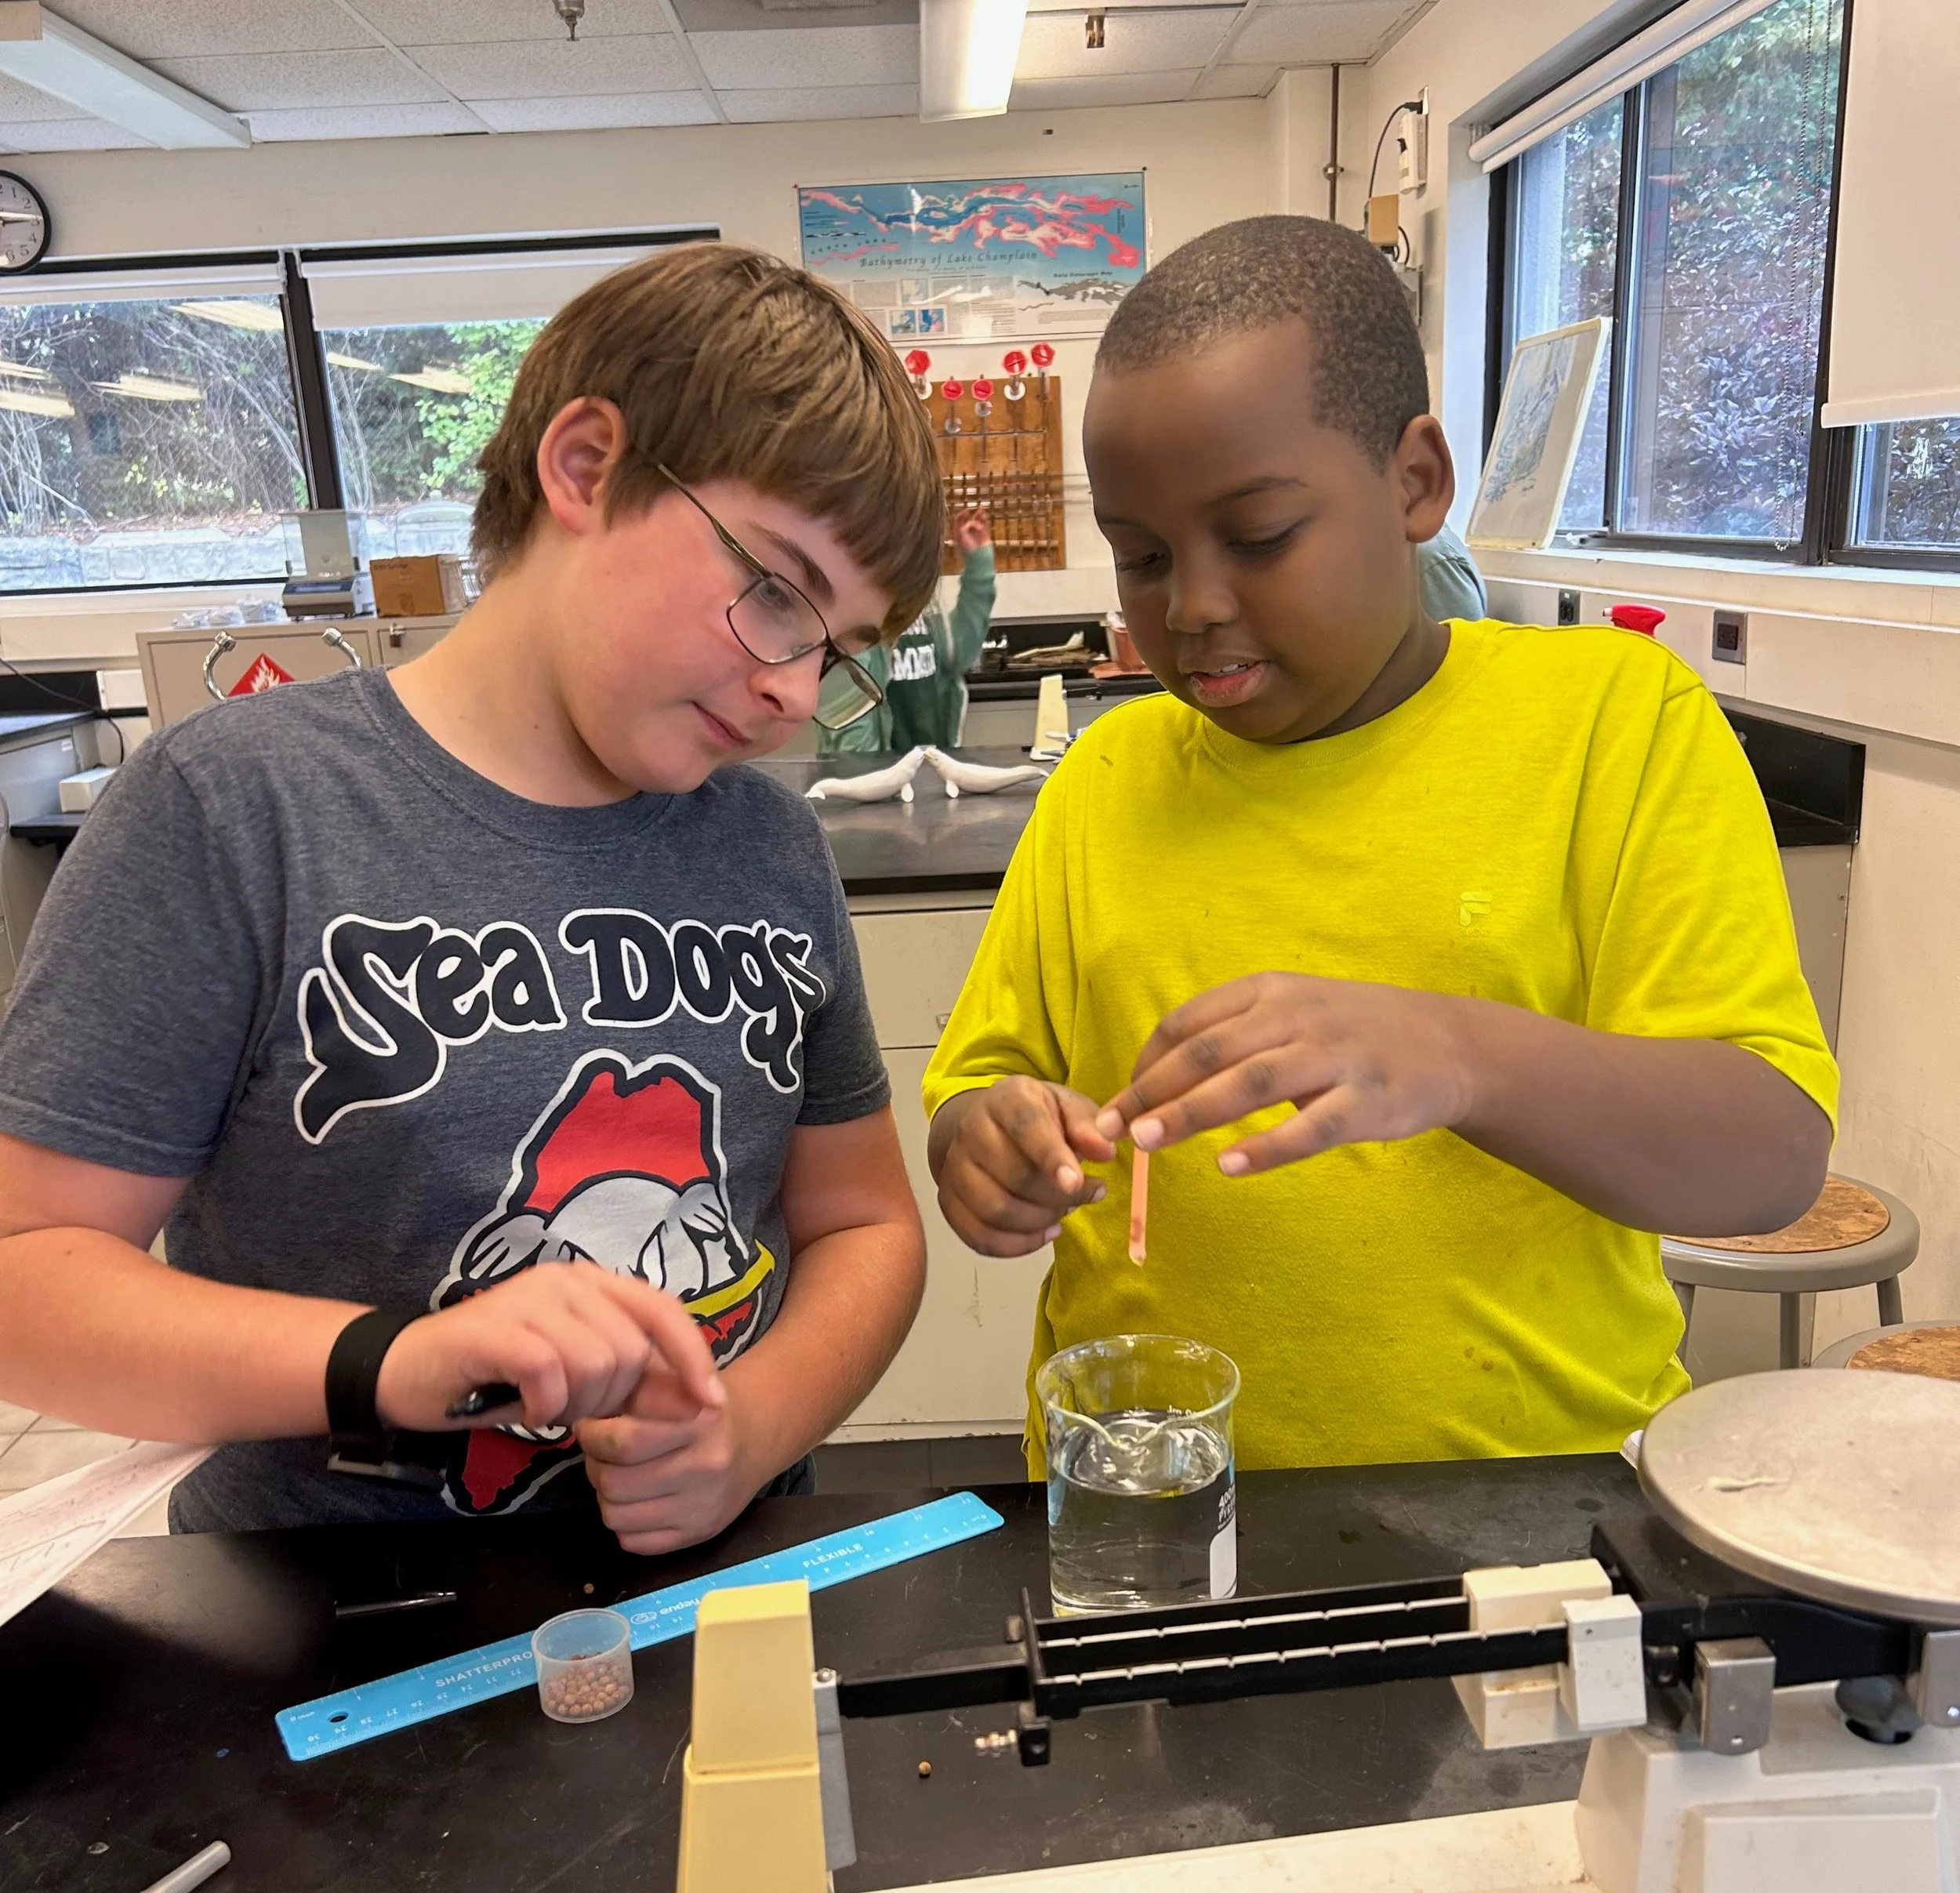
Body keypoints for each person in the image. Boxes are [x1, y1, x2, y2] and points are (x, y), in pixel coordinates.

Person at [0, 242, 939, 1550]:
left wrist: (751, 1433)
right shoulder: (234, 812)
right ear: (586, 467)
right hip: (325, 1625)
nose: (795, 690)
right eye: (774, 592)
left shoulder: (772, 849)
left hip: (714, 1594)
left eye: (837, 648)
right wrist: (389, 1362)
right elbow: (28, 1279)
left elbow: (867, 1221)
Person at [923, 215, 1835, 1473]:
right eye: (1142, 556)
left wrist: (1458, 1055)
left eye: (1258, 535)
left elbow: (1771, 1158)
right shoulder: (1107, 779)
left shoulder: (1612, 725)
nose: (1189, 605)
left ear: (1415, 482)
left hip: (1525, 1512)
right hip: (1154, 1506)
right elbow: (982, 1084)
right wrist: (988, 1146)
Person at [819, 506, 996, 753]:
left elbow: (959, 653)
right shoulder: (854, 615)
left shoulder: (925, 604)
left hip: (931, 766)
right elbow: (850, 717)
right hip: (873, 775)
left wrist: (979, 562)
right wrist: (866, 779)